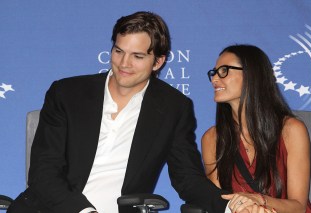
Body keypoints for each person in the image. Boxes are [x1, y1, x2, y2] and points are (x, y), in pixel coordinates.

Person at [7, 11, 227, 213]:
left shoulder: (174, 107)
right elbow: (44, 172)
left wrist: (231, 207)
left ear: (158, 62)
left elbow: (187, 178)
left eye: (137, 56)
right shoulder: (66, 93)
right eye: (119, 51)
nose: (124, 63)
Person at [201, 44, 311, 213]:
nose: (215, 79)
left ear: (251, 74)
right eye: (214, 73)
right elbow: (219, 203)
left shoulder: (291, 130)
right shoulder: (212, 138)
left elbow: (298, 206)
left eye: (224, 71)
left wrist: (260, 201)